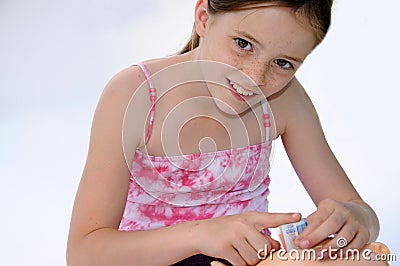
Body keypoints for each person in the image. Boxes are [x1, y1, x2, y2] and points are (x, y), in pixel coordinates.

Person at [67, 0, 384, 265]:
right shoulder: (135, 94)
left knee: (366, 259)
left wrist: (357, 219)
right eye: (243, 44)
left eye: (283, 63)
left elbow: (358, 209)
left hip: (251, 262)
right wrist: (202, 234)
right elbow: (84, 252)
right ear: (204, 18)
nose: (254, 77)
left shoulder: (286, 100)